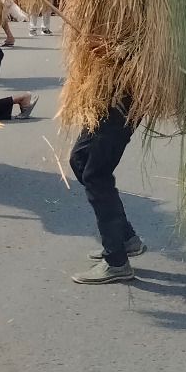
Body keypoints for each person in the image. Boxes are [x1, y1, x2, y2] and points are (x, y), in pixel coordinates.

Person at [70, 97, 145, 284]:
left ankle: (116, 262)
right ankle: (126, 238)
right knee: (80, 159)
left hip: (124, 96)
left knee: (96, 174)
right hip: (105, 94)